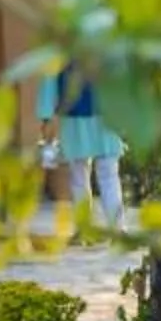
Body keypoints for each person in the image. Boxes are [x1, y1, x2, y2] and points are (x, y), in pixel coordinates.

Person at [53, 66, 125, 234]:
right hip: (105, 111)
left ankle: (84, 229)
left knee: (79, 176)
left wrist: (46, 113)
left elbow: (51, 77)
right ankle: (117, 229)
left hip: (75, 114)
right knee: (108, 174)